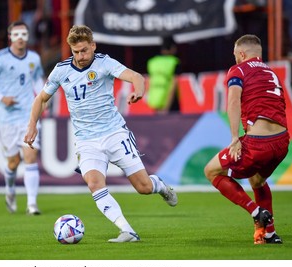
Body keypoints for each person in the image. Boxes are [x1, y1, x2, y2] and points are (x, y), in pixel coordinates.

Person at [24, 25, 178, 243]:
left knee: (143, 187)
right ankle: (127, 231)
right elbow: (41, 99)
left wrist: (139, 92)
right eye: (76, 52)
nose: (81, 56)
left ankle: (159, 186)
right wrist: (32, 125)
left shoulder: (104, 62)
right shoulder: (61, 70)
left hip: (114, 133)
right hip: (86, 140)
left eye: (85, 50)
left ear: (93, 46)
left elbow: (137, 77)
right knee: (95, 183)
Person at [204, 34, 290, 244]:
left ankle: (255, 211)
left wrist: (235, 138)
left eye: (235, 54)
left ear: (241, 54)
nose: (234, 58)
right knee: (258, 179)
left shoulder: (239, 70)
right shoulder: (272, 74)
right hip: (281, 143)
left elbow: (233, 101)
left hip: (258, 143)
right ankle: (269, 233)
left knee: (211, 170)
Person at [0, 21, 45, 215]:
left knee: (30, 157)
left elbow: (37, 79)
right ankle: (10, 189)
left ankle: (31, 204)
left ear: (28, 36)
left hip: (28, 115)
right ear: (10, 37)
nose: (20, 38)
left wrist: (43, 96)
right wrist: (2, 98)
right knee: (13, 162)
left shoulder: (34, 58)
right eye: (16, 34)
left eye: (24, 34)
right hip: (7, 118)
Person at [147, 36, 180, 113]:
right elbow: (173, 86)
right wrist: (167, 107)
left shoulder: (152, 62)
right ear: (172, 48)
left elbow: (149, 82)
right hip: (169, 103)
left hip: (154, 100)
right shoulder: (174, 62)